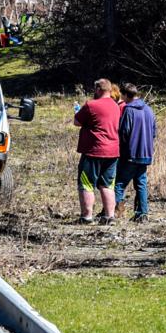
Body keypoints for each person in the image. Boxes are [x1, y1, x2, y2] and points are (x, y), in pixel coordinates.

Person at [73, 78, 121, 225]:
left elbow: (77, 122)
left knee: (87, 184)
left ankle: (87, 216)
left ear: (98, 89)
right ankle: (109, 216)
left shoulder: (91, 105)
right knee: (107, 185)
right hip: (112, 151)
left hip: (94, 151)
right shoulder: (116, 106)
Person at [115, 84, 157, 222]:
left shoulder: (129, 110)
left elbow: (124, 132)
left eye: (122, 95)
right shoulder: (149, 110)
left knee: (120, 183)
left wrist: (122, 150)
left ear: (126, 95)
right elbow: (154, 133)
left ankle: (113, 211)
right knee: (141, 183)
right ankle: (142, 214)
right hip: (146, 153)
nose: (122, 98)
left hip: (131, 154)